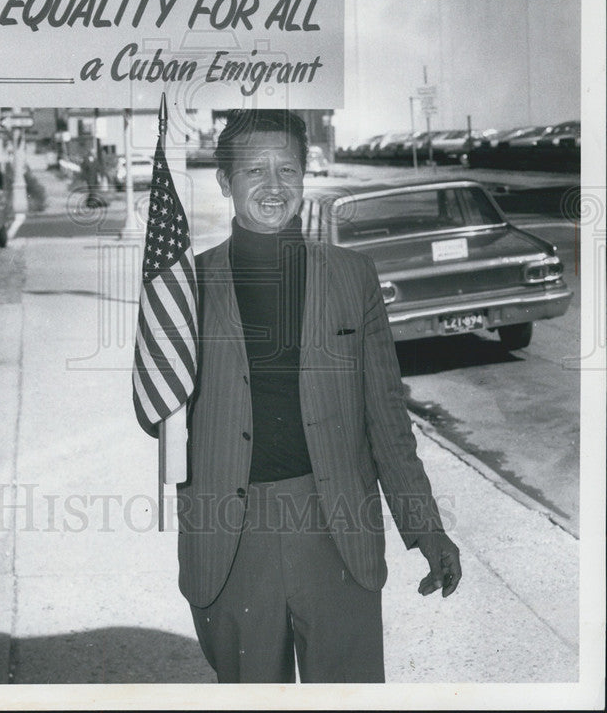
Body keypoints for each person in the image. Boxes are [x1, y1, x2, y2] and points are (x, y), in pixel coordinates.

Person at [139, 109, 461, 683]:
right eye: (254, 171)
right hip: (231, 540)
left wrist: (426, 529)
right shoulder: (185, 286)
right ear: (224, 181)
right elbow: (154, 408)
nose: (273, 186)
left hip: (336, 529)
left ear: (305, 176)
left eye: (287, 168)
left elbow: (386, 419)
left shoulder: (352, 275)